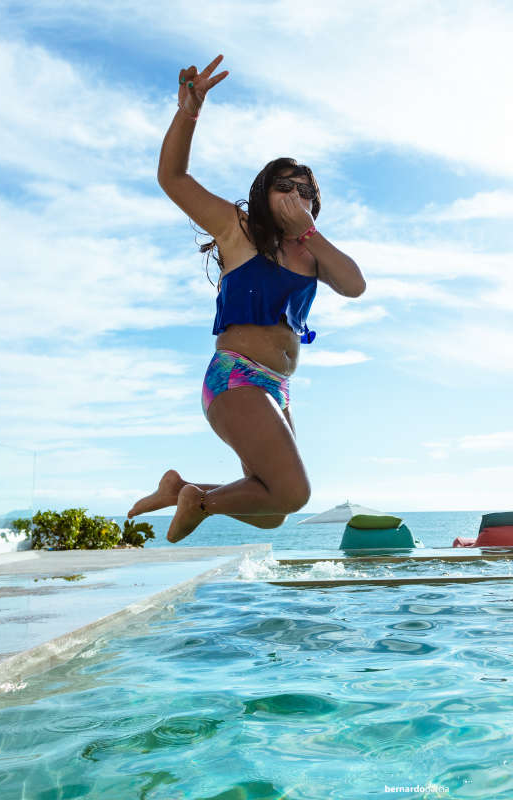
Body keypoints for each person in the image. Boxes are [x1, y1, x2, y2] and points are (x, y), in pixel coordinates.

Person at [127, 54, 366, 543]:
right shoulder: (238, 231)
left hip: (275, 387)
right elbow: (173, 178)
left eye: (304, 190)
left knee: (273, 506)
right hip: (234, 377)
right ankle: (201, 501)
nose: (295, 195)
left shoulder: (312, 251)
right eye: (285, 186)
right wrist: (188, 112)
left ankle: (179, 490)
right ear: (264, 193)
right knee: (295, 493)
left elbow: (355, 284)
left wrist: (310, 234)